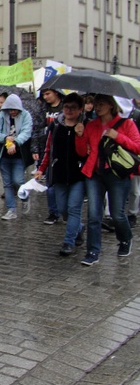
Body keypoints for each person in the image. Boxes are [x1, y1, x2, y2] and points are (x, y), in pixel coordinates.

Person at [75, 94, 140, 266]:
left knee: (117, 214)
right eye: (96, 104)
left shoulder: (127, 124)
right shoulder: (91, 125)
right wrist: (80, 135)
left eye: (101, 104)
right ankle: (92, 251)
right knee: (94, 215)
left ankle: (126, 239)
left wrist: (117, 136)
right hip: (95, 175)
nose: (97, 107)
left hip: (118, 175)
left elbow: (137, 147)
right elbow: (82, 152)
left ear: (111, 105)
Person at [34, 93, 87, 256]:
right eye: (66, 107)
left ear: (80, 110)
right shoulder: (56, 126)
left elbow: (86, 152)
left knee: (73, 209)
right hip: (59, 174)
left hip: (78, 175)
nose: (69, 111)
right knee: (63, 209)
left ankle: (68, 242)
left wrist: (80, 135)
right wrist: (41, 168)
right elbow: (49, 149)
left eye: (73, 108)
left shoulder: (86, 126)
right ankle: (78, 227)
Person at [0, 94, 34, 221]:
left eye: (15, 109)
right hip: (3, 155)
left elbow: (26, 132)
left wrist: (15, 143)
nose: (13, 112)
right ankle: (11, 210)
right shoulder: (2, 116)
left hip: (19, 155)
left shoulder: (26, 115)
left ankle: (25, 197)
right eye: (10, 109)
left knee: (18, 181)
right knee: (7, 183)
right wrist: (5, 138)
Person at [37, 89, 65, 225]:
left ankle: (65, 210)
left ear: (56, 93)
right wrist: (35, 148)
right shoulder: (43, 109)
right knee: (50, 184)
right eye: (43, 94)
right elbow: (38, 128)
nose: (45, 97)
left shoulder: (65, 108)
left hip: (64, 151)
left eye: (48, 94)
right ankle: (53, 212)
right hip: (48, 149)